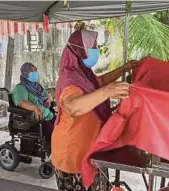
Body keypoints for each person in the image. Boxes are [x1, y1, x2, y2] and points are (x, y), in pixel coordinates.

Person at [52, 28, 138, 191]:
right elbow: (72, 107)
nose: (97, 50)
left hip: (90, 150)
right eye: (94, 46)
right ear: (81, 50)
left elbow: (100, 82)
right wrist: (107, 92)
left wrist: (123, 69)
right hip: (72, 155)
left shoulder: (83, 74)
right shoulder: (70, 80)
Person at [12, 62, 55, 142]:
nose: (35, 73)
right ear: (25, 73)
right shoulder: (20, 88)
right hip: (35, 120)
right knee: (55, 133)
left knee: (65, 126)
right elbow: (21, 102)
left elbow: (47, 95)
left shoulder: (36, 86)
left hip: (48, 115)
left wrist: (49, 99)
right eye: (32, 71)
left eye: (35, 71)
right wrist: (35, 107)